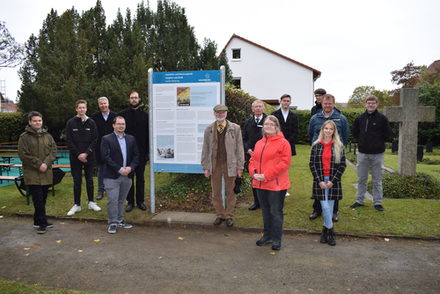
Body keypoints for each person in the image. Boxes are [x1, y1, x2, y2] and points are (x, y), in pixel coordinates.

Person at [249, 115, 291, 251]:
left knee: (275, 212)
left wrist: (266, 175)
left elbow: (284, 163)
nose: (268, 126)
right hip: (260, 183)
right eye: (266, 124)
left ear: (276, 127)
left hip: (276, 185)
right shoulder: (259, 143)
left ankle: (276, 239)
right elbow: (252, 161)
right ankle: (267, 235)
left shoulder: (283, 143)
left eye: (271, 124)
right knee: (265, 212)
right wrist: (254, 173)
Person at [201, 104, 244, 227]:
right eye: (218, 113)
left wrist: (240, 167)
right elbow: (205, 148)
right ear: (214, 114)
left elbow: (239, 148)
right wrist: (206, 166)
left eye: (222, 113)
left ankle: (229, 215)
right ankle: (220, 214)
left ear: (226, 114)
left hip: (231, 164)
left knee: (231, 191)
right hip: (215, 164)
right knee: (216, 192)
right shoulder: (209, 129)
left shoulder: (235, 128)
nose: (220, 115)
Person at [308, 94, 349, 221]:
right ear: (322, 104)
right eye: (325, 103)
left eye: (330, 103)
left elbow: (346, 135)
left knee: (334, 183)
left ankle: (334, 212)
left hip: (335, 154)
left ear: (333, 104)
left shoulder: (341, 118)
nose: (327, 105)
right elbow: (310, 133)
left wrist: (338, 148)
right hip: (319, 153)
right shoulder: (315, 118)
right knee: (318, 181)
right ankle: (317, 209)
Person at [18, 111, 57, 234]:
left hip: (46, 172)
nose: (37, 123)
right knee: (38, 199)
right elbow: (23, 154)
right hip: (32, 173)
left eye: (39, 120)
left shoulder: (48, 136)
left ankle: (36, 220)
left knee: (44, 197)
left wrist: (46, 163)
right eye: (34, 121)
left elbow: (53, 151)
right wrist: (39, 164)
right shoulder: (24, 137)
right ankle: (42, 223)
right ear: (30, 122)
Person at [309, 120, 346, 246]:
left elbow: (342, 165)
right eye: (326, 128)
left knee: (329, 208)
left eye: (331, 129)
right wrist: (319, 180)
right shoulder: (316, 145)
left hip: (332, 182)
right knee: (324, 207)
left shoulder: (339, 146)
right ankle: (330, 231)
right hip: (320, 181)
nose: (328, 131)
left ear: (334, 131)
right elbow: (312, 165)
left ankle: (325, 232)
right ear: (322, 130)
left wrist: (332, 181)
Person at [351, 95, 390, 211]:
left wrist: (376, 142)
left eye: (373, 103)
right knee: (361, 178)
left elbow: (387, 134)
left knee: (377, 179)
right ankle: (359, 200)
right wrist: (363, 142)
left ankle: (377, 202)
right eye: (368, 103)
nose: (371, 105)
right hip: (363, 153)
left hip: (377, 154)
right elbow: (355, 133)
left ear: (377, 104)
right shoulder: (360, 118)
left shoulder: (382, 118)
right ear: (365, 104)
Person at [101, 116, 139, 234]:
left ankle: (120, 220)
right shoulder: (106, 139)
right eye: (118, 124)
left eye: (123, 124)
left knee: (121, 200)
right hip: (112, 176)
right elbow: (105, 157)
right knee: (113, 200)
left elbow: (136, 156)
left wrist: (130, 168)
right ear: (113, 125)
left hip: (127, 175)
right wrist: (118, 169)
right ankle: (112, 222)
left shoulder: (131, 139)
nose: (121, 126)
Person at [66, 99, 101, 216]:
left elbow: (95, 139)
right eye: (79, 107)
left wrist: (86, 153)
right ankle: (77, 205)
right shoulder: (70, 123)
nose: (82, 109)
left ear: (86, 109)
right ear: (76, 109)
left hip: (89, 157)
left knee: (89, 180)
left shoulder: (91, 123)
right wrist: (78, 155)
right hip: (75, 158)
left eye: (83, 107)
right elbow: (69, 141)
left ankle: (91, 202)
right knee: (77, 181)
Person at [119, 91, 149, 212]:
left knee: (140, 178)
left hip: (141, 152)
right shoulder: (122, 115)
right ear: (129, 100)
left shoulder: (146, 115)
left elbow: (148, 135)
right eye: (132, 98)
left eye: (136, 97)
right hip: (127, 152)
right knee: (128, 178)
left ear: (139, 99)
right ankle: (130, 202)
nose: (134, 100)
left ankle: (140, 201)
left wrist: (147, 152)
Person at [91, 97, 118, 201]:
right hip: (100, 148)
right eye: (101, 104)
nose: (103, 105)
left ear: (108, 103)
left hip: (114, 147)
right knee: (101, 170)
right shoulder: (94, 117)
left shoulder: (115, 116)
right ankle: (101, 191)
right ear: (99, 105)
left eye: (105, 103)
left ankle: (113, 190)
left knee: (114, 169)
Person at [243, 100, 267, 210]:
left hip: (266, 155)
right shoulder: (248, 122)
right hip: (252, 155)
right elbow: (244, 139)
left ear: (263, 108)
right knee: (255, 178)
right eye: (255, 107)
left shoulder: (269, 121)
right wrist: (248, 149)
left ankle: (266, 202)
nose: (258, 108)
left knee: (266, 178)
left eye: (260, 107)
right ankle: (257, 202)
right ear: (252, 109)